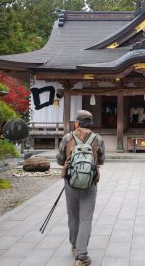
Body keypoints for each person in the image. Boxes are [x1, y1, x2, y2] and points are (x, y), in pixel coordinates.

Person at [56, 110, 105, 266]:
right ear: (90, 123)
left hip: (70, 182)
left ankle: (74, 245)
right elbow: (102, 160)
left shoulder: (67, 137)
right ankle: (82, 256)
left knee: (73, 215)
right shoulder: (97, 138)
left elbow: (59, 160)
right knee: (86, 218)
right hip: (90, 183)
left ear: (77, 123)